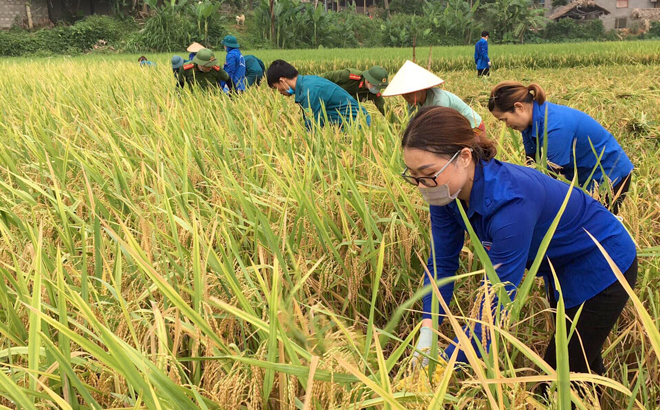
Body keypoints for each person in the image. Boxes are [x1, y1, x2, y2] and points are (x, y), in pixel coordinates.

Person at [402, 106, 637, 386]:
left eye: (427, 173)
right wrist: (427, 329)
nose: (421, 186)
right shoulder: (443, 192)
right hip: (559, 266)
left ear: (464, 157)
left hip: (604, 263)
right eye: (413, 175)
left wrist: (443, 365)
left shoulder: (510, 205)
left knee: (559, 379)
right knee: (580, 359)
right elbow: (442, 264)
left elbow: (496, 303)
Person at [488, 81, 634, 214]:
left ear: (519, 107)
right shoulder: (528, 125)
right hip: (584, 175)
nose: (506, 125)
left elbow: (549, 178)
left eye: (505, 119)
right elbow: (531, 164)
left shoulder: (555, 127)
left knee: (596, 225)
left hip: (609, 175)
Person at [383, 60, 486, 139]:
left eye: (409, 93)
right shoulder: (413, 103)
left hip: (473, 127)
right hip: (456, 131)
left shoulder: (438, 100)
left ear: (420, 88)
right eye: (403, 94)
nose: (406, 97)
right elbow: (412, 122)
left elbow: (440, 128)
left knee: (476, 156)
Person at [266, 59, 371, 130]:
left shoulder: (309, 92)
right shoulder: (308, 82)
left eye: (276, 87)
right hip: (356, 121)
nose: (279, 92)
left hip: (356, 125)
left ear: (282, 80)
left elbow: (313, 127)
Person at [320, 66, 389, 116]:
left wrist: (397, 124)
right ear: (368, 81)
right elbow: (325, 77)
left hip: (342, 108)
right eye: (376, 86)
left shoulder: (373, 93)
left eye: (379, 88)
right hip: (326, 98)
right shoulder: (349, 76)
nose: (377, 89)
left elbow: (385, 110)